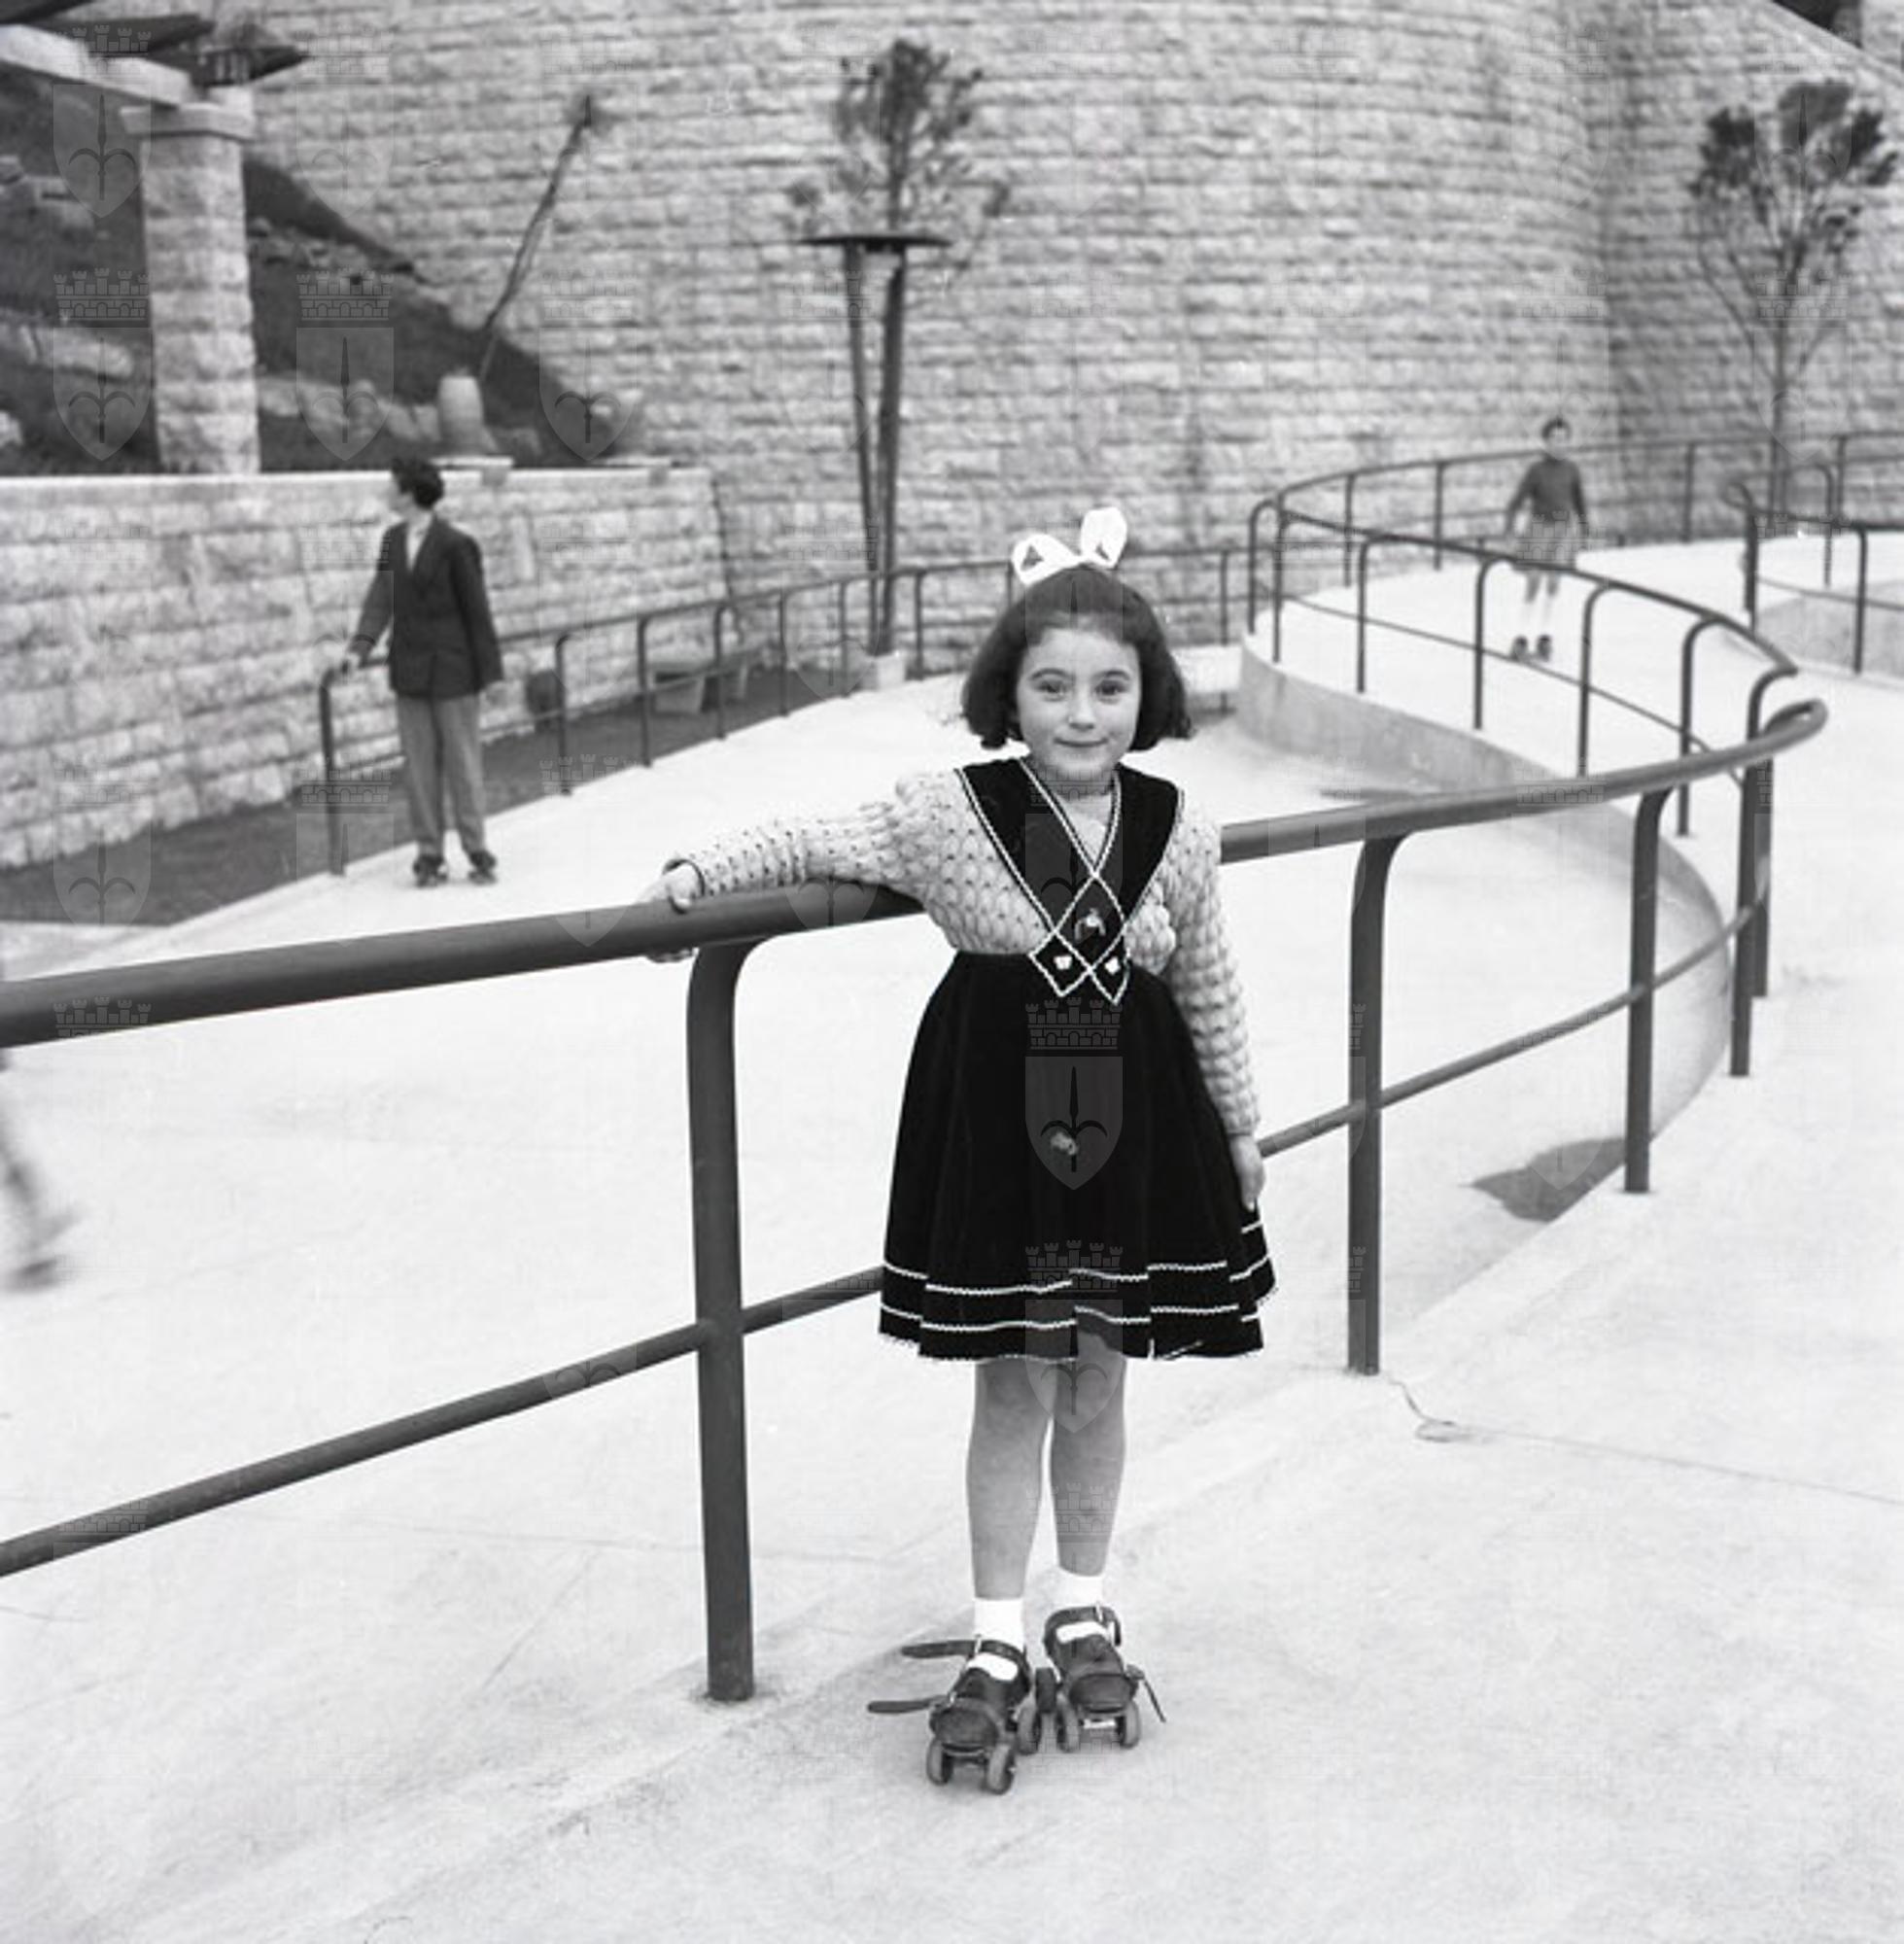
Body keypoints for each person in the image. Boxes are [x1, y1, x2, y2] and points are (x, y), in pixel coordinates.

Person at [636, 507, 1274, 1778]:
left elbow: (1207, 983)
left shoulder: (1177, 830)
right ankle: (995, 1633)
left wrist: (1240, 1125)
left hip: (1134, 1126)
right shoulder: (952, 816)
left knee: (1098, 1374)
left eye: (1108, 687)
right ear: (1009, 693)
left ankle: (1082, 1605)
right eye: (1052, 686)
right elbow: (816, 838)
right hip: (1003, 1126)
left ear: (1146, 694)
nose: (1081, 713)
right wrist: (696, 875)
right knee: (1015, 1380)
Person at [339, 457, 503, 885]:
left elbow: (477, 612)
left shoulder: (456, 545)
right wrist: (359, 649)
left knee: (463, 765)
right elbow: (380, 599)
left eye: (393, 484)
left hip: (454, 673)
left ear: (409, 493)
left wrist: (491, 675)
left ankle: (476, 849)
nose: (387, 491)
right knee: (418, 769)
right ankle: (429, 854)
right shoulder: (391, 541)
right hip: (410, 671)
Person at [1503, 415, 1590, 662]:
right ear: (1545, 442)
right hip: (1540, 527)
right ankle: (1521, 636)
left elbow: (1580, 502)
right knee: (1533, 580)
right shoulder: (1536, 470)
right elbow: (1516, 501)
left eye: (1563, 439)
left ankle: (1545, 634)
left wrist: (1584, 531)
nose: (1559, 444)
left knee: (1553, 581)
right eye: (1554, 439)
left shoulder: (1572, 470)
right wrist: (1509, 531)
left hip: (1563, 529)